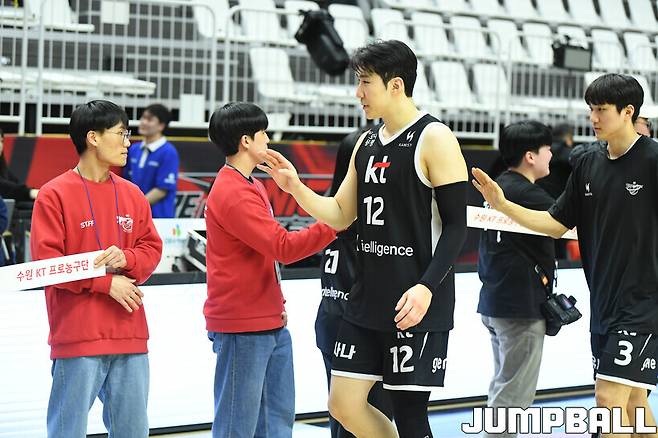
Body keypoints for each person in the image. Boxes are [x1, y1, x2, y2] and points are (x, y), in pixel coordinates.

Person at [259, 40, 468, 438]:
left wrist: (426, 287)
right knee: (342, 404)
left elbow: (458, 226)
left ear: (395, 85)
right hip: (367, 298)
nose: (358, 93)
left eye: (365, 82)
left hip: (415, 302)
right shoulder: (366, 142)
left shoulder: (435, 137)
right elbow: (341, 213)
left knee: (409, 415)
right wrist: (295, 187)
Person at [472, 73, 658, 436]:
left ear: (628, 112)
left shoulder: (653, 160)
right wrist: (503, 205)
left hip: (643, 305)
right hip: (603, 303)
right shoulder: (587, 162)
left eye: (601, 110)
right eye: (591, 109)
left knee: (608, 399)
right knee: (634, 403)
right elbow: (554, 224)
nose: (593, 118)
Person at [30, 99, 163, 438]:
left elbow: (151, 248)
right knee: (67, 431)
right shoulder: (53, 194)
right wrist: (105, 283)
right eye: (121, 134)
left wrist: (128, 259)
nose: (128, 143)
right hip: (78, 335)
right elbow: (47, 263)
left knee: (133, 431)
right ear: (93, 137)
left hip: (130, 335)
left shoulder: (133, 194)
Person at [203, 102, 336, 438]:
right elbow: (283, 248)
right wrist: (333, 224)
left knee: (276, 422)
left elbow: (268, 254)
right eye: (262, 132)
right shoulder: (233, 192)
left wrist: (275, 305)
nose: (268, 139)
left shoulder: (251, 184)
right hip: (243, 324)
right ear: (246, 140)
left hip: (265, 319)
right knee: (237, 426)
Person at [477, 121, 555, 438]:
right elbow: (566, 223)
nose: (552, 155)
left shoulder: (498, 188)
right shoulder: (529, 195)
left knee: (504, 386)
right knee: (512, 399)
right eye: (547, 149)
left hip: (496, 302)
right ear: (530, 156)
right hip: (520, 307)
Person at [315, 126, 393, 438]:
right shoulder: (370, 209)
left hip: (330, 317)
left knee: (342, 417)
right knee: (368, 417)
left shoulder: (327, 203)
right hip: (360, 324)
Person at [126, 103, 179, 218]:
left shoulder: (168, 152)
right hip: (134, 216)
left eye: (149, 119)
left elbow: (162, 189)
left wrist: (135, 207)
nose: (143, 122)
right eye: (143, 117)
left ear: (161, 126)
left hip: (159, 218)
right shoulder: (134, 149)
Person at [0, 128, 38, 202]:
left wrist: (30, 192)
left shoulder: (2, 165)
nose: (0, 145)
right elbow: (3, 186)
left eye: (1, 141)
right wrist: (30, 192)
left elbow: (15, 183)